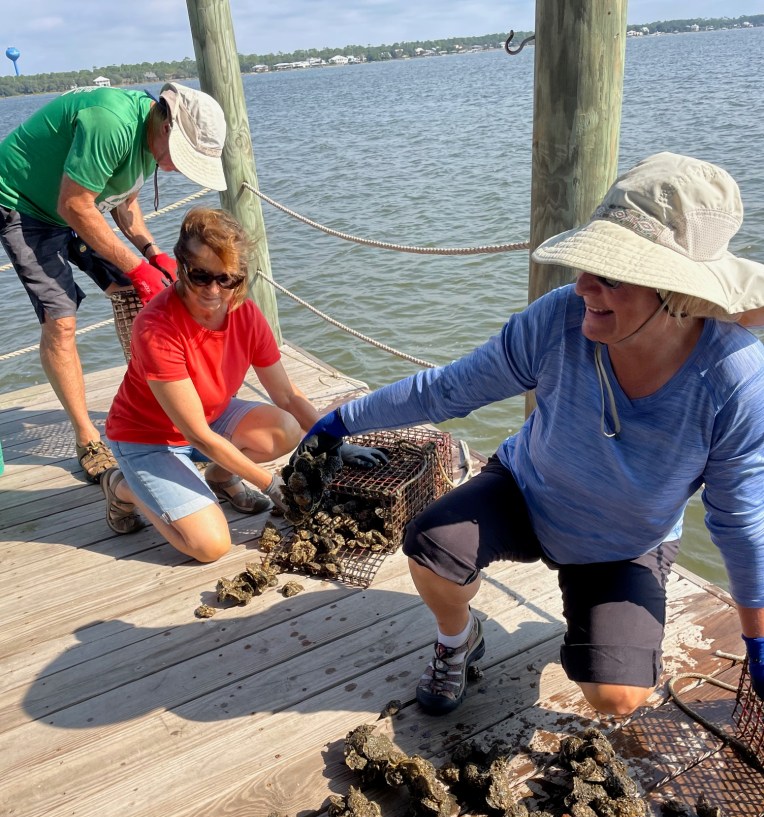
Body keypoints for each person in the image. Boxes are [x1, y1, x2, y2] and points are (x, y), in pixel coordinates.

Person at [299, 152, 764, 716]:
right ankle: (457, 640)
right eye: (587, 262)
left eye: (611, 274)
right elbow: (449, 389)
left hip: (623, 545)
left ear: (677, 295)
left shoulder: (735, 379)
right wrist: (342, 420)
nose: (583, 284)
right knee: (428, 546)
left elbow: (739, 519)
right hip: (527, 491)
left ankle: (600, 627)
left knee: (617, 698)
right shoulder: (557, 320)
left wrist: (757, 638)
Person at [102, 206, 385, 563]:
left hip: (213, 416)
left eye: (227, 279)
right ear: (180, 265)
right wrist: (270, 483)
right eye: (201, 276)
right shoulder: (155, 327)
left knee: (286, 429)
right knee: (209, 546)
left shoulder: (246, 314)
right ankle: (123, 486)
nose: (214, 290)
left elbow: (287, 394)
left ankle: (220, 477)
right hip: (149, 438)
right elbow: (198, 436)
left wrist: (333, 444)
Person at [0, 82, 227, 484]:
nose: (175, 168)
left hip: (75, 203)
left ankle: (150, 407)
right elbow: (73, 205)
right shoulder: (111, 122)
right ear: (167, 125)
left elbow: (125, 202)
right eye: (181, 157)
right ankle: (87, 437)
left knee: (130, 290)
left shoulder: (149, 136)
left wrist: (153, 254)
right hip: (24, 202)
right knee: (61, 320)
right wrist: (139, 269)